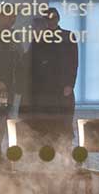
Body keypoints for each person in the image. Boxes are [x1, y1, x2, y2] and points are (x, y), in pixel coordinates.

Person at [22, 7, 78, 143]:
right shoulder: (39, 38)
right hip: (43, 88)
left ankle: (64, 155)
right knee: (44, 125)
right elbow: (29, 63)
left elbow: (74, 62)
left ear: (58, 19)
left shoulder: (68, 36)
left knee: (63, 122)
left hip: (61, 87)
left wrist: (70, 84)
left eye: (53, 18)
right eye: (48, 19)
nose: (51, 21)